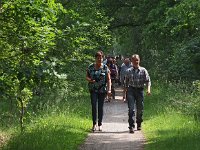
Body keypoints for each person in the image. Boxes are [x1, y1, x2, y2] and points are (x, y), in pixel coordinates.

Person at [125, 54, 151, 133]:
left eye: (137, 60)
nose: (136, 62)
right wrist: (124, 95)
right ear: (131, 61)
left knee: (140, 109)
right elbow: (126, 84)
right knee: (131, 109)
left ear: (139, 60)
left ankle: (139, 123)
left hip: (140, 91)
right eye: (134, 60)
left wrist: (148, 90)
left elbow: (148, 81)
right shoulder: (128, 71)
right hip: (131, 91)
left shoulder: (143, 70)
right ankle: (131, 126)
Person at [86, 51, 111, 132]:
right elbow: (87, 76)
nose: (99, 59)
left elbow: (109, 79)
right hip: (93, 89)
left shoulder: (105, 67)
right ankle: (94, 124)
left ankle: (100, 124)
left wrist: (109, 90)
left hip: (102, 90)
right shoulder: (90, 67)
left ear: (103, 58)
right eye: (98, 58)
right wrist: (90, 80)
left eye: (101, 57)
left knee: (100, 107)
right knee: (94, 105)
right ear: (95, 58)